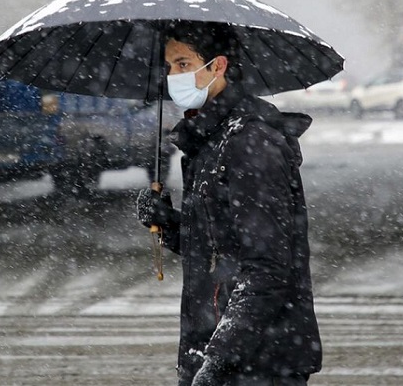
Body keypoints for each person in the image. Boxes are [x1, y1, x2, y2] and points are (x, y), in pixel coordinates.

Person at [136, 22, 322, 386]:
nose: (173, 75)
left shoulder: (250, 144)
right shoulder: (208, 141)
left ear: (217, 66)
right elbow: (218, 250)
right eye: (169, 66)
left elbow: (268, 269)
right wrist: (170, 224)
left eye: (183, 64)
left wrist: (219, 362)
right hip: (218, 350)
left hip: (260, 363)